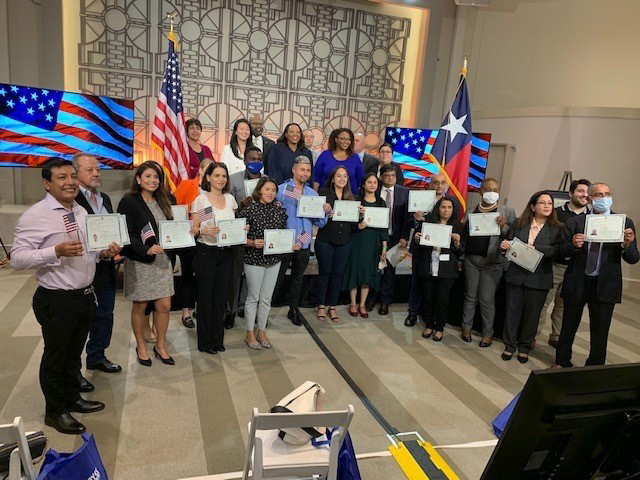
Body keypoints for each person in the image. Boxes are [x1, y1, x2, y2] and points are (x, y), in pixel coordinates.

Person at [11, 158, 120, 434]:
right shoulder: (36, 215)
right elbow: (18, 258)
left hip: (84, 296)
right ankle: (55, 411)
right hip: (56, 299)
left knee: (73, 355)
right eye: (61, 178)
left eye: (72, 176)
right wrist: (54, 251)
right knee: (56, 357)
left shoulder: (81, 212)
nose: (70, 182)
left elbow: (88, 251)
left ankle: (72, 398)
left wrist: (103, 252)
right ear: (47, 183)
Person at [553, 183, 638, 368]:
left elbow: (633, 258)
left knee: (600, 330)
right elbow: (560, 252)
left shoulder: (624, 223)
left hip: (606, 284)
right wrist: (573, 246)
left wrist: (627, 245)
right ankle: (561, 361)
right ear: (590, 198)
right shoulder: (575, 222)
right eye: (599, 194)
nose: (604, 197)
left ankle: (594, 366)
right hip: (578, 281)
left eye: (608, 193)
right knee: (568, 326)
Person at [118, 161, 176, 367]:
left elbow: (173, 228)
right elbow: (126, 234)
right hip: (141, 261)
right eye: (148, 176)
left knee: (165, 306)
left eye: (156, 177)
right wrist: (146, 249)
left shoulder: (166, 199)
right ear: (138, 179)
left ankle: (160, 345)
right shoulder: (129, 201)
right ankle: (141, 346)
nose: (153, 180)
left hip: (163, 261)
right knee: (141, 306)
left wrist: (177, 246)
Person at [72, 153, 122, 389]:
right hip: (81, 270)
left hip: (105, 267)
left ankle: (96, 357)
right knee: (80, 321)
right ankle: (74, 371)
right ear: (77, 173)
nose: (96, 174)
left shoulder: (105, 199)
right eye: (90, 170)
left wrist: (116, 244)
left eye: (98, 170)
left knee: (105, 314)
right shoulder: (71, 200)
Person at [499, 191, 562, 364]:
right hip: (516, 275)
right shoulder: (520, 223)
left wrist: (536, 248)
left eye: (550, 203)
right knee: (512, 313)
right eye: (543, 203)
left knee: (532, 315)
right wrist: (504, 246)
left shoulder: (557, 227)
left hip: (540, 278)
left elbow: (558, 251)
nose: (547, 206)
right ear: (533, 207)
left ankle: (524, 348)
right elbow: (508, 242)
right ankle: (509, 346)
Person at [274, 156, 330, 325]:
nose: (305, 173)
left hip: (303, 243)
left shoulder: (313, 194)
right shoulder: (281, 190)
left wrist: (325, 211)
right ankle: (264, 309)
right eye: (302, 169)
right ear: (294, 169)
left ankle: (293, 309)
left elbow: (318, 222)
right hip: (283, 243)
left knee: (297, 279)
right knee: (275, 279)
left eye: (308, 171)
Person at [460, 177, 516, 347]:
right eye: (488, 189)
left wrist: (504, 226)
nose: (492, 193)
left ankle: (487, 334)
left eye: (495, 190)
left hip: (493, 263)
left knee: (486, 299)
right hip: (471, 260)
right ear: (481, 191)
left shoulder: (507, 211)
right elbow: (464, 237)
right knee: (470, 296)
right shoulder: (471, 211)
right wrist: (461, 258)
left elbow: (514, 237)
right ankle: (466, 328)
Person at [537, 179, 591, 348]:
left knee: (563, 304)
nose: (584, 195)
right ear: (570, 193)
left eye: (587, 192)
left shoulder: (592, 217)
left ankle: (556, 337)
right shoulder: (556, 213)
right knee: (543, 302)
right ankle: (533, 335)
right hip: (554, 265)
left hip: (576, 269)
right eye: (580, 191)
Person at [191, 162, 238, 354]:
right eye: (217, 175)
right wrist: (204, 229)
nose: (221, 179)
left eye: (224, 176)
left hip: (226, 254)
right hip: (206, 252)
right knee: (206, 299)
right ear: (208, 177)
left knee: (220, 299)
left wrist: (240, 231)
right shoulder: (202, 201)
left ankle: (218, 339)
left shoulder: (230, 199)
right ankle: (206, 342)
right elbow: (193, 229)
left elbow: (232, 224)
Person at [237, 177, 288, 349]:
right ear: (259, 190)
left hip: (274, 260)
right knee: (253, 297)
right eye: (267, 189)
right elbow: (238, 237)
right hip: (254, 260)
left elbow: (282, 235)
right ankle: (249, 333)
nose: (270, 193)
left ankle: (261, 330)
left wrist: (290, 243)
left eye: (273, 190)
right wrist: (251, 242)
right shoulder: (249, 210)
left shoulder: (279, 211)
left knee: (266, 299)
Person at [405, 171, 461, 327]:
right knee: (417, 284)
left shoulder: (453, 202)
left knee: (436, 291)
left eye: (443, 183)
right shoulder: (421, 200)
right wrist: (415, 221)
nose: (439, 185)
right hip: (422, 251)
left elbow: (457, 224)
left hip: (443, 254)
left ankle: (431, 319)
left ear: (447, 185)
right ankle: (413, 313)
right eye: (436, 182)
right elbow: (409, 223)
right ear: (430, 184)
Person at [412, 197, 464, 340]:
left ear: (453, 210)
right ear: (438, 209)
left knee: (442, 301)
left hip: (447, 270)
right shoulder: (427, 224)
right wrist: (417, 238)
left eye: (449, 207)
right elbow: (417, 247)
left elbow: (461, 251)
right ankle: (429, 325)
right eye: (443, 207)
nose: (446, 210)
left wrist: (457, 243)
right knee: (428, 298)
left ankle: (439, 328)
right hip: (428, 266)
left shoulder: (459, 227)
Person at [173, 157, 214, 329]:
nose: (209, 174)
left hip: (206, 238)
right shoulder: (186, 184)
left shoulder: (213, 191)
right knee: (188, 275)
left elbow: (212, 215)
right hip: (188, 236)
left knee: (203, 276)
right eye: (207, 169)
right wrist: (191, 210)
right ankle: (185, 313)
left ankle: (199, 308)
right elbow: (174, 208)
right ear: (200, 170)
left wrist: (201, 215)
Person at [341, 172, 388, 318]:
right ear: (363, 184)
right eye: (369, 182)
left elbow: (384, 228)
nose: (372, 185)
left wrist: (384, 247)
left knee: (368, 273)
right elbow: (349, 222)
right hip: (358, 240)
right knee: (355, 271)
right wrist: (358, 222)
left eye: (375, 182)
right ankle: (353, 303)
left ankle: (362, 304)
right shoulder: (356, 201)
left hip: (374, 242)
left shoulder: (381, 202)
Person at [315, 166, 357, 323]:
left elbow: (353, 225)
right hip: (325, 239)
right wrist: (323, 209)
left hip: (344, 241)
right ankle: (320, 305)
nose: (342, 179)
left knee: (338, 275)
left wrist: (359, 217)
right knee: (324, 274)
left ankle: (332, 306)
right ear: (333, 178)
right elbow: (315, 216)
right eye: (338, 176)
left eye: (345, 176)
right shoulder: (324, 194)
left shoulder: (351, 197)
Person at [369, 163, 410, 315]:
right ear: (381, 177)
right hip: (375, 236)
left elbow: (408, 217)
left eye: (393, 175)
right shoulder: (374, 190)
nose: (390, 178)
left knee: (389, 271)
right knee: (374, 268)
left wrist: (405, 236)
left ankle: (385, 302)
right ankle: (371, 298)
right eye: (387, 175)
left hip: (395, 238)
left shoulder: (404, 192)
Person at [313, 128, 364, 194]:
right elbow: (316, 179)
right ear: (336, 139)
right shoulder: (325, 155)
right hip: (326, 197)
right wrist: (314, 197)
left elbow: (360, 181)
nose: (346, 141)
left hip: (350, 198)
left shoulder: (355, 158)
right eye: (343, 139)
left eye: (349, 139)